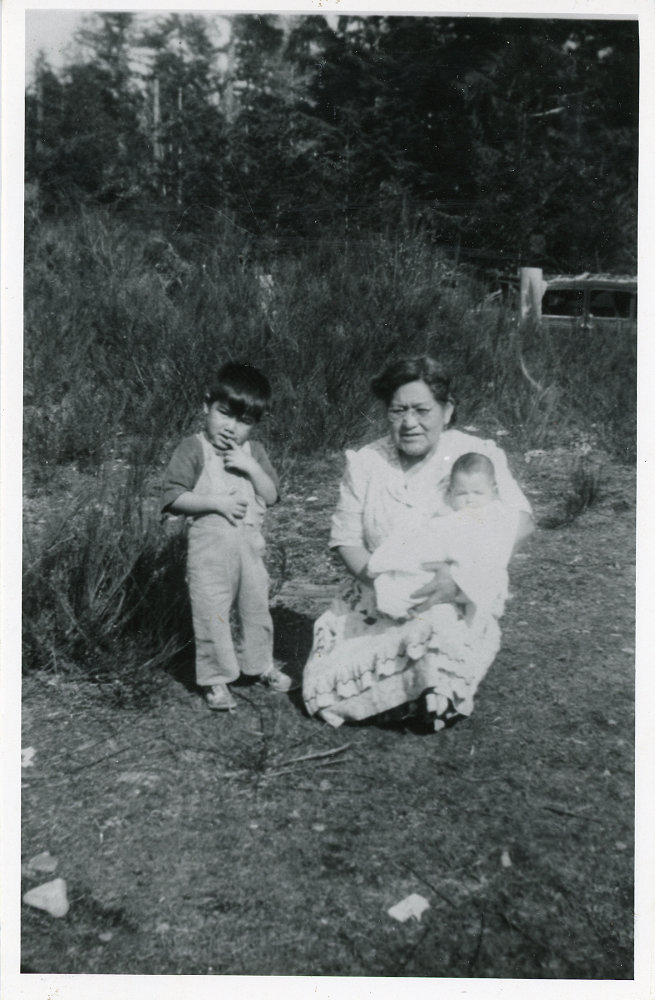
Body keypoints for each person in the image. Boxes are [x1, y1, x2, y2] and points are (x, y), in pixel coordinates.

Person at [302, 355, 534, 730]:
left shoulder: (476, 456)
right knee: (326, 683)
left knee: (438, 635)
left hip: (456, 595)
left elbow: (519, 521)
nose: (409, 423)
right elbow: (345, 541)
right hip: (375, 594)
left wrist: (460, 582)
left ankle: (426, 696)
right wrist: (385, 587)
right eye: (398, 411)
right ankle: (406, 698)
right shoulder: (366, 463)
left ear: (447, 410)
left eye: (422, 410)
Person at [162, 362, 293, 711]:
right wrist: (214, 503)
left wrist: (251, 467)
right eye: (225, 414)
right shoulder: (193, 448)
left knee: (256, 609)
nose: (232, 428)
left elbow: (271, 495)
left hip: (250, 550)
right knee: (212, 613)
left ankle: (260, 664)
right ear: (207, 405)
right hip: (209, 553)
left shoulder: (255, 453)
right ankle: (216, 678)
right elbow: (173, 497)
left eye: (245, 422)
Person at [368, 452, 517, 621]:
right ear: (451, 492)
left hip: (471, 568)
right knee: (409, 570)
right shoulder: (446, 510)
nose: (470, 500)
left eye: (478, 493)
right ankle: (404, 605)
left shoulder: (494, 513)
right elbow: (430, 532)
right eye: (462, 493)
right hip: (439, 560)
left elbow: (495, 549)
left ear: (493, 490)